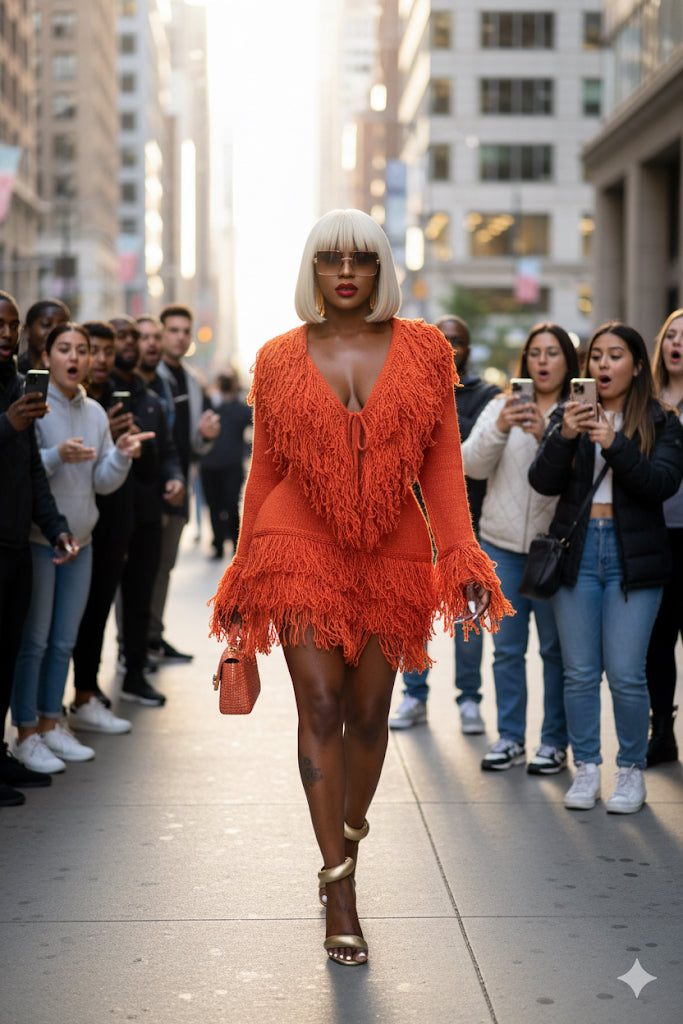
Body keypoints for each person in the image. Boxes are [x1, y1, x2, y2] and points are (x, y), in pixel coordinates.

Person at [209, 209, 513, 966]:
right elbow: (265, 473)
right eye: (329, 259)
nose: (345, 271)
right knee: (318, 705)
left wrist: (463, 558)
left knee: (369, 714)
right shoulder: (277, 358)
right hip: (295, 547)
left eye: (361, 259)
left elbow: (442, 468)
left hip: (395, 555)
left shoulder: (424, 349)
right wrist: (244, 570)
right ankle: (338, 886)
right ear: (311, 272)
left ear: (380, 270)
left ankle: (346, 835)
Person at [529, 322, 683, 814]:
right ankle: (588, 767)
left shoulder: (661, 420)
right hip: (578, 552)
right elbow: (542, 482)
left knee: (625, 672)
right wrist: (565, 436)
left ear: (637, 366)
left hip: (632, 557)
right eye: (596, 356)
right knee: (578, 672)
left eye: (615, 356)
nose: (603, 365)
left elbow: (661, 483)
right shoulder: (568, 415)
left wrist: (614, 443)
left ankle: (631, 770)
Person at [10, 323, 152, 774]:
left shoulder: (93, 412)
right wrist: (56, 456)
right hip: (41, 540)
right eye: (64, 349)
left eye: (82, 350)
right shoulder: (33, 406)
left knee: (63, 641)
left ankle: (53, 724)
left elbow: (101, 482)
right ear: (46, 356)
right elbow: (25, 473)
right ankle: (26, 731)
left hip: (83, 540)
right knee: (34, 642)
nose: (74, 357)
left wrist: (122, 455)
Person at [462, 323, 579, 773]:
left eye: (552, 353)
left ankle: (553, 742)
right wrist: (503, 427)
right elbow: (471, 465)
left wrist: (540, 437)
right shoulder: (500, 405)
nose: (543, 361)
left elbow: (572, 477)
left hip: (555, 547)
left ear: (568, 361)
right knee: (507, 650)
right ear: (525, 362)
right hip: (502, 544)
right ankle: (510, 737)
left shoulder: (578, 411)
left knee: (555, 652)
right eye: (535, 353)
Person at [391, 314, 500, 733]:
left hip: (465, 525)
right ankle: (414, 695)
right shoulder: (406, 388)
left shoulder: (487, 395)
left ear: (468, 348)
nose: (449, 346)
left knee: (467, 618)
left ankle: (469, 700)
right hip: (415, 523)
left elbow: (459, 447)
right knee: (412, 617)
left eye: (457, 339)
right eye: (441, 338)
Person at [0, 291, 78, 806]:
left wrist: (55, 528)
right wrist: (7, 424)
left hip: (15, 545)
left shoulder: (14, 383)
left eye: (10, 325)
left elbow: (31, 471)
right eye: (0, 325)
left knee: (7, 655)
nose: (6, 334)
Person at [108, 315, 185, 707]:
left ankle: (134, 672)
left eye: (132, 337)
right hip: (106, 517)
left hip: (148, 514)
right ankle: (84, 693)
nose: (129, 343)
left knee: (140, 597)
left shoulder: (152, 398)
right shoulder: (96, 395)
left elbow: (169, 451)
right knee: (94, 608)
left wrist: (174, 479)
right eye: (119, 337)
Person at [70, 321, 137, 726]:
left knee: (95, 615)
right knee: (57, 628)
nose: (99, 360)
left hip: (109, 523)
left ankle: (85, 694)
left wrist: (120, 446)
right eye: (91, 349)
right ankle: (50, 711)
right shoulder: (69, 399)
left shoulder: (111, 397)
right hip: (65, 526)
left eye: (106, 352)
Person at [148, 305, 220, 663]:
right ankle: (137, 646)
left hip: (179, 491)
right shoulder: (150, 375)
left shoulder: (191, 380)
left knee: (164, 567)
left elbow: (194, 443)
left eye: (184, 331)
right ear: (161, 334)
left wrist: (206, 437)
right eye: (173, 330)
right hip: (149, 489)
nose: (179, 336)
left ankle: (153, 636)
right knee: (141, 571)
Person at [645, 309, 683, 765]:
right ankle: (663, 730)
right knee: (658, 641)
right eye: (671, 335)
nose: (677, 343)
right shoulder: (647, 401)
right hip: (656, 534)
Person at [200, 370, 252, 559]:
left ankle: (236, 544)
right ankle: (218, 544)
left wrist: (247, 448)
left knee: (231, 505)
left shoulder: (240, 408)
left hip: (232, 466)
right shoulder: (211, 405)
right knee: (214, 507)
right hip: (209, 465)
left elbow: (258, 424)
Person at [16, 299, 70, 374]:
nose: (54, 332)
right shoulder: (14, 372)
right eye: (46, 325)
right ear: (27, 331)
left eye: (61, 327)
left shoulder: (72, 372)